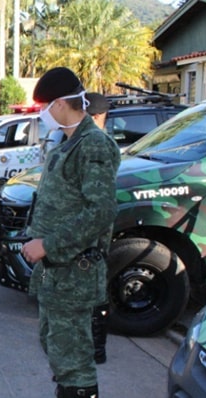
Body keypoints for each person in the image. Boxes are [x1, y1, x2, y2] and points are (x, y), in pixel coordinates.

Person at [19, 68, 121, 398]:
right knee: (55, 343)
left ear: (62, 104)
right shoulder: (69, 142)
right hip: (56, 272)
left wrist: (48, 244)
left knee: (74, 353)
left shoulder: (93, 146)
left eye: (46, 106)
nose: (44, 113)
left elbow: (101, 212)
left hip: (74, 270)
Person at [84, 92, 111, 365]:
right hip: (89, 228)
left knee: (96, 289)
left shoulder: (99, 145)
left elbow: (97, 202)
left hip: (94, 231)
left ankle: (97, 348)